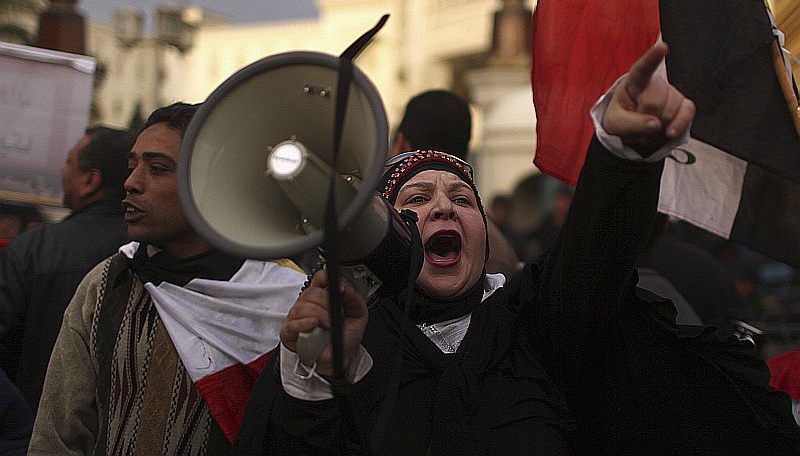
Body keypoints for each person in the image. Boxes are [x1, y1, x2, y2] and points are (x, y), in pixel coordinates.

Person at [234, 44, 800, 455]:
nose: (444, 207)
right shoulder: (352, 339)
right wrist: (315, 380)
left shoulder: (532, 317)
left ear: (483, 227)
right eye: (418, 197)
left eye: (462, 196)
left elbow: (592, 253)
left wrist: (622, 154)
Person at [29, 103, 307, 456]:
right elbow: (58, 438)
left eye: (157, 169)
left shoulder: (284, 297)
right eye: (132, 167)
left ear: (211, 183)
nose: (131, 183)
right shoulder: (106, 286)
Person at [0, 126, 133, 412]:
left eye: (68, 162)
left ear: (89, 180)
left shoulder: (34, 249)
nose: (62, 172)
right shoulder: (155, 249)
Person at [390, 88, 521, 279]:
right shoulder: (500, 251)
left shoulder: (365, 243)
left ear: (401, 144)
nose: (443, 207)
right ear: (467, 151)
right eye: (418, 199)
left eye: (461, 200)